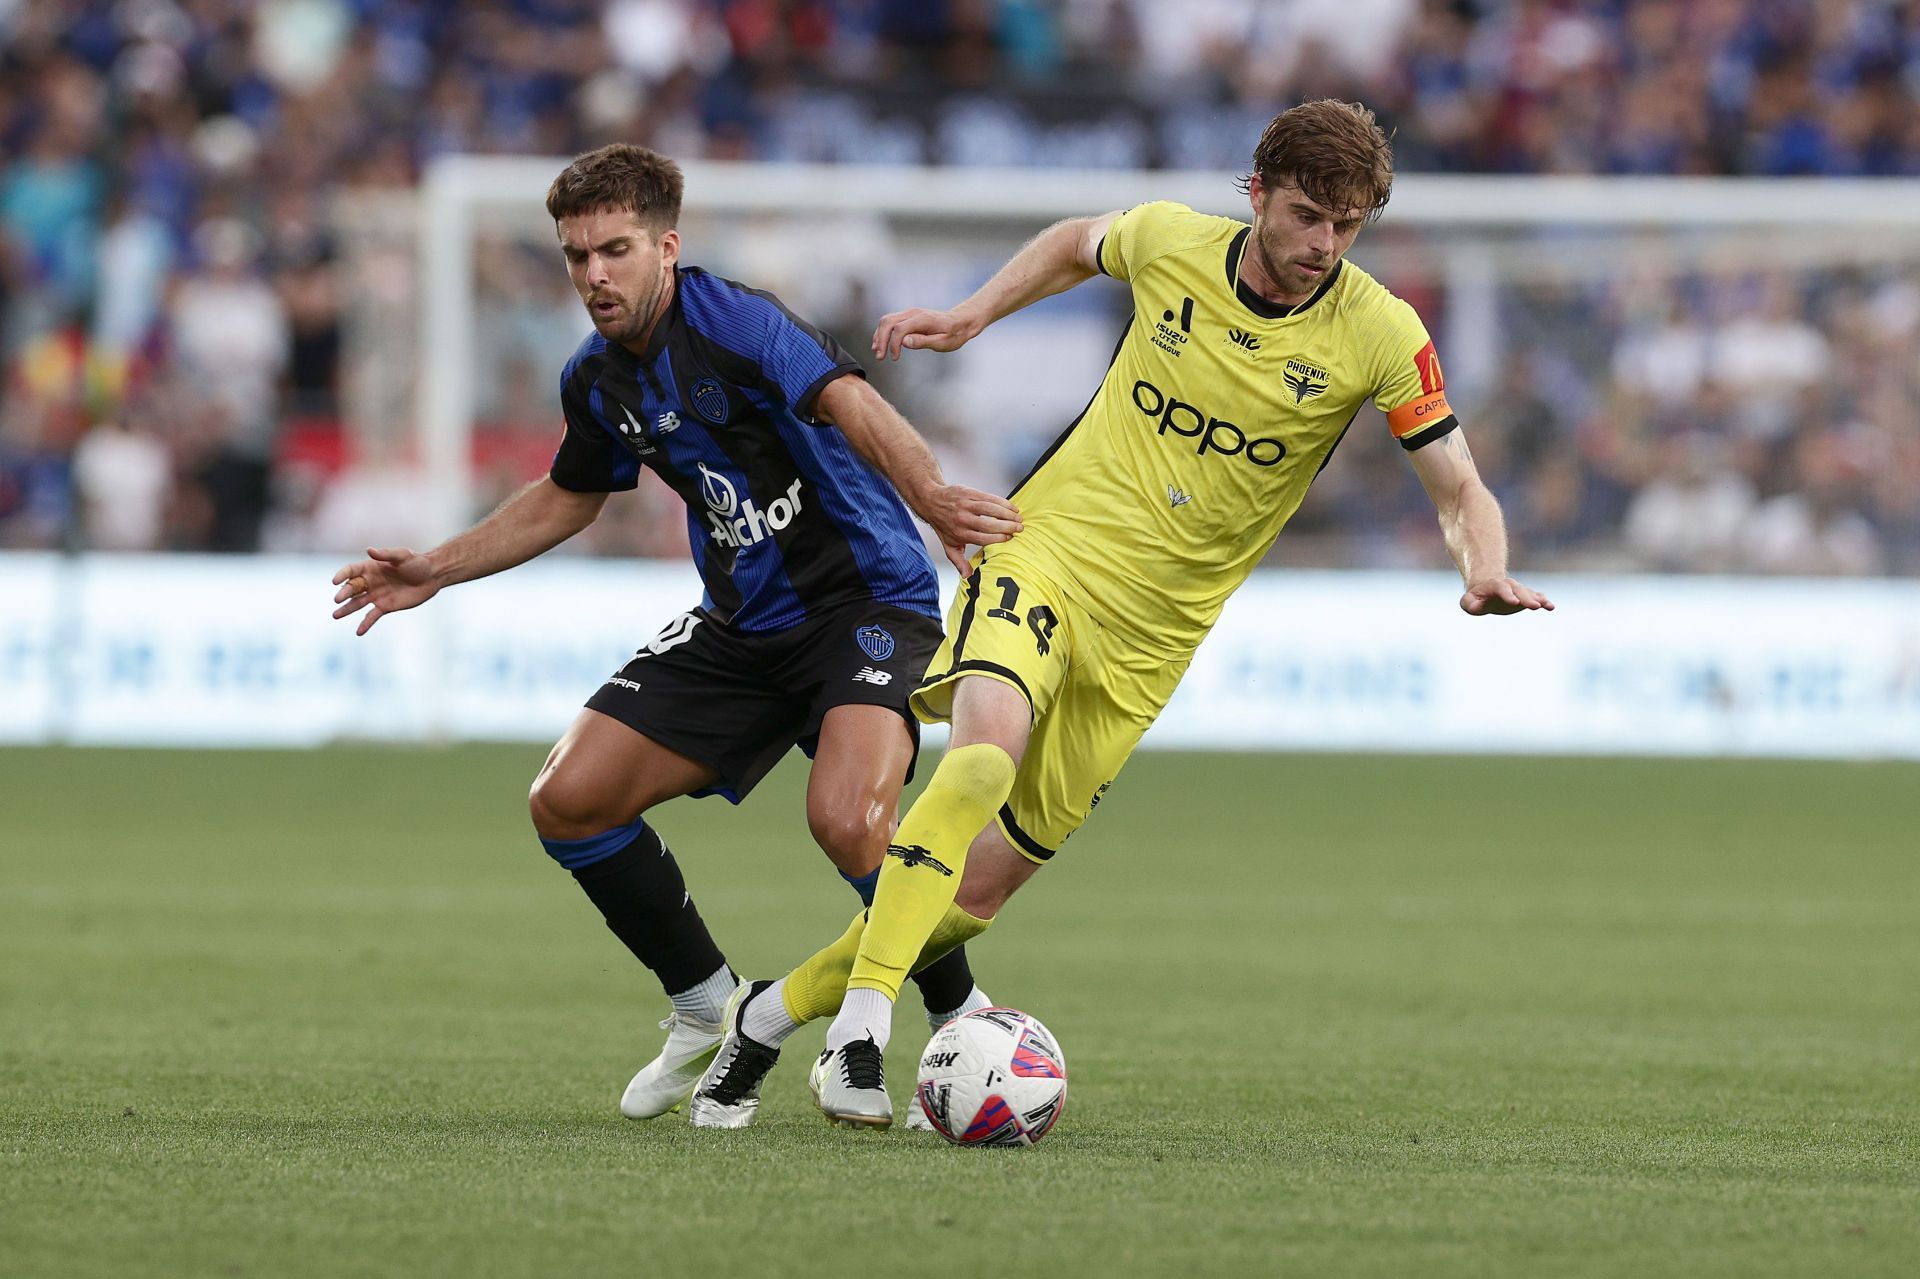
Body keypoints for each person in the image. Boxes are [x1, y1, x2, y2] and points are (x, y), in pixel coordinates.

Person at [692, 100, 1555, 1128]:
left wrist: (1485, 568)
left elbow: (1459, 487)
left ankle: (767, 1014)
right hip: (1046, 552)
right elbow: (1072, 244)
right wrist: (973, 314)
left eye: (1348, 224)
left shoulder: (1379, 330)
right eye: (1307, 215)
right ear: (1257, 194)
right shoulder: (1170, 241)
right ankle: (862, 1036)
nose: (1324, 244)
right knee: (979, 759)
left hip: (1155, 641)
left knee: (971, 900)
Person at [329, 144, 1021, 1129]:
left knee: (848, 820)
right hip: (742, 626)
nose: (594, 275)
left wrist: (934, 499)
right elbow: (570, 497)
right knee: (567, 801)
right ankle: (705, 999)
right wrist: (434, 567)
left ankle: (960, 1011)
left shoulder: (735, 321)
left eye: (613, 250)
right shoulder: (599, 378)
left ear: (667, 245)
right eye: (575, 256)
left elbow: (852, 403)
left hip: (863, 604)